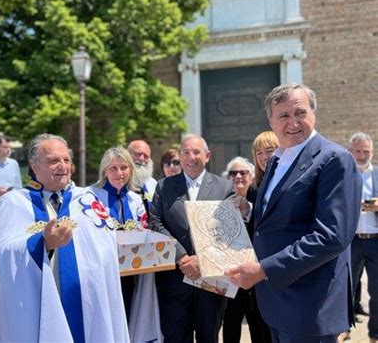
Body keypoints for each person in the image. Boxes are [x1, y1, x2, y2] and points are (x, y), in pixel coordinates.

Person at [225, 83, 362, 342]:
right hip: (276, 302)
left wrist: (264, 269)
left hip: (310, 305)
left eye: (300, 112)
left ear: (313, 112)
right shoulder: (277, 160)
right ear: (271, 121)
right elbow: (269, 225)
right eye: (284, 116)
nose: (293, 122)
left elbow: (331, 236)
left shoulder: (334, 159)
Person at [0, 134, 129, 342]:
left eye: (66, 160)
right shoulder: (14, 202)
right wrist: (42, 243)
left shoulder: (88, 200)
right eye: (53, 161)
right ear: (34, 166)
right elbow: (3, 254)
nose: (62, 166)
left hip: (89, 308)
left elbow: (105, 248)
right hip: (40, 308)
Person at [149, 133, 250, 343]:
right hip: (175, 279)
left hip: (211, 281)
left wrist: (201, 259)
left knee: (208, 337)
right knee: (175, 337)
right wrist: (182, 257)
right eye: (185, 152)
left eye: (196, 152)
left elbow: (228, 230)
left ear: (207, 156)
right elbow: (156, 223)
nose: (190, 157)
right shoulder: (164, 186)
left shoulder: (224, 188)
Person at [90, 146, 161, 342]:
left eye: (124, 168)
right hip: (102, 272)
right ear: (104, 170)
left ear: (131, 170)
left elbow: (144, 229)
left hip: (130, 273)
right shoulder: (90, 196)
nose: (119, 173)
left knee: (128, 315)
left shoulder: (135, 199)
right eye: (113, 168)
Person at [222, 156, 271, 343]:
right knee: (230, 327)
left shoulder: (261, 198)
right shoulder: (220, 200)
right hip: (230, 277)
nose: (238, 176)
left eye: (243, 172)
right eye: (233, 173)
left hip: (257, 276)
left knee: (259, 328)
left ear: (251, 176)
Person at [348, 132, 378, 343]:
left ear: (372, 152)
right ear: (351, 151)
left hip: (375, 240)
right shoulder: (344, 175)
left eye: (365, 151)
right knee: (346, 288)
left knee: (377, 291)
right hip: (352, 240)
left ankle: (375, 333)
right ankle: (344, 329)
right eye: (358, 151)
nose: (361, 155)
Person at [128, 139, 157, 218]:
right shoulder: (117, 181)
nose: (141, 158)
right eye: (138, 154)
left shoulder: (153, 184)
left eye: (146, 156)